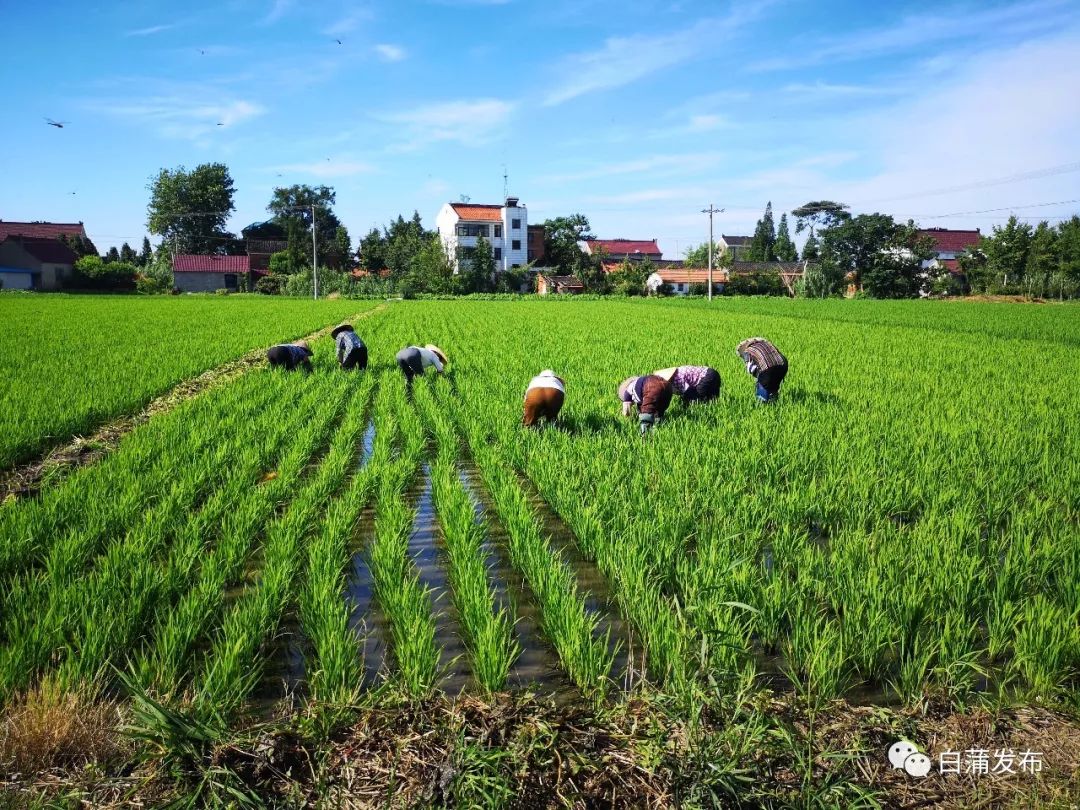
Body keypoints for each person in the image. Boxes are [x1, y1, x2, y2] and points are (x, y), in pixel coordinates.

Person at [736, 337, 788, 403]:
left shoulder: (748, 351)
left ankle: (763, 405)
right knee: (773, 385)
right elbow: (779, 354)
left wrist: (758, 376)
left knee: (762, 387)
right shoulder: (767, 344)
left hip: (768, 369)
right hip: (783, 365)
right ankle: (774, 401)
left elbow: (750, 368)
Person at [653, 365, 721, 405]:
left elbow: (688, 391)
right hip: (713, 372)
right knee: (713, 399)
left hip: (707, 376)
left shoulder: (677, 378)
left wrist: (685, 403)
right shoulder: (677, 372)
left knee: (699, 400)